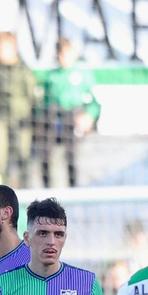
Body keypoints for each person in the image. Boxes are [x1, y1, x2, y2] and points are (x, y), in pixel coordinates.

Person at [40, 37, 99, 188]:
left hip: (73, 119)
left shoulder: (83, 75)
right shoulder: (51, 76)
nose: (63, 58)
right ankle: (47, 191)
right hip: (53, 120)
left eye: (66, 53)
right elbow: (42, 102)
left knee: (72, 155)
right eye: (60, 54)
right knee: (45, 153)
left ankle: (74, 189)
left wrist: (88, 116)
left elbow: (95, 102)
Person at [0, 32, 39, 187]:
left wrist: (34, 122)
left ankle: (26, 198)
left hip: (21, 121)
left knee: (23, 157)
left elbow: (33, 98)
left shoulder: (24, 70)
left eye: (0, 47)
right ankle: (1, 198)